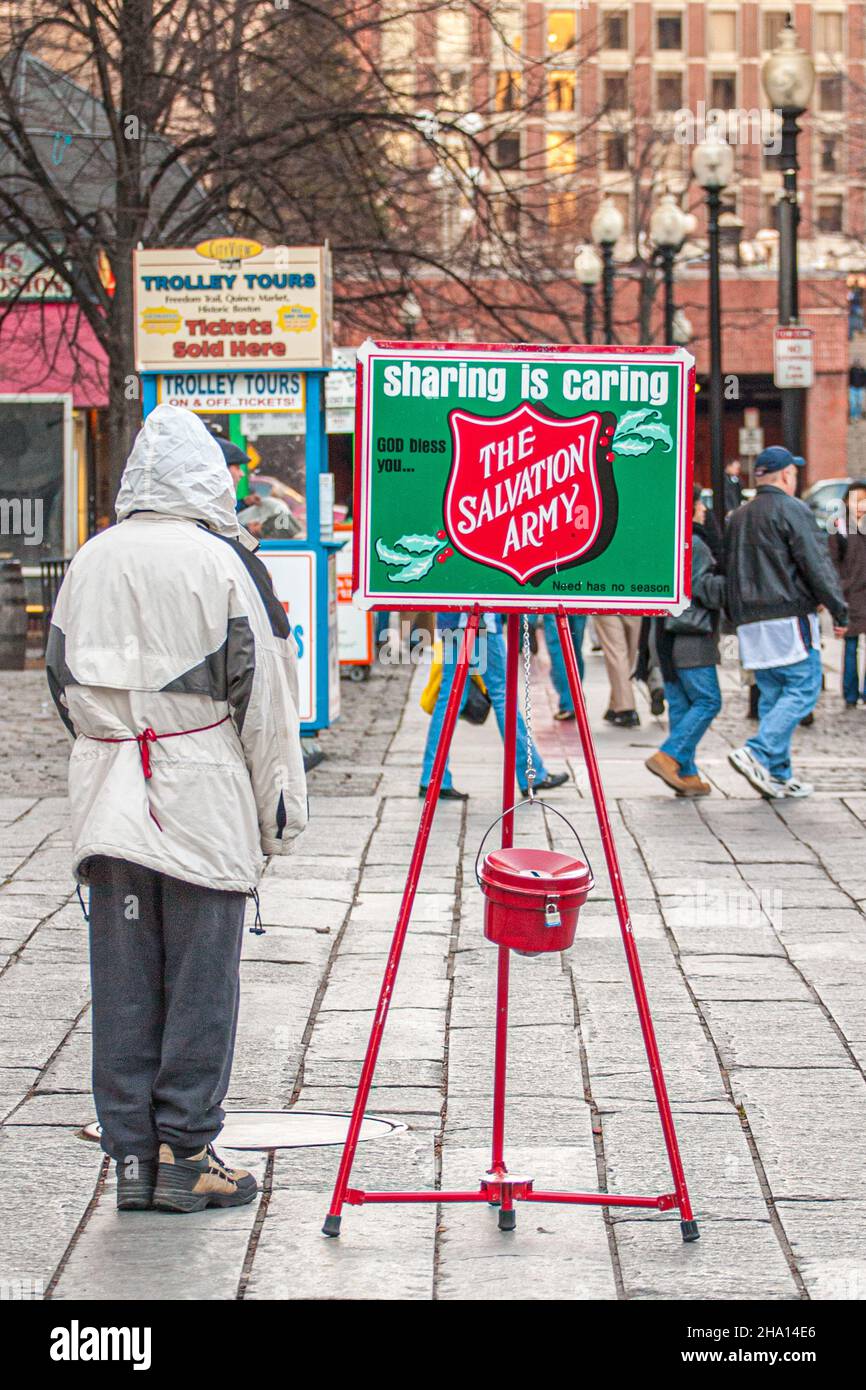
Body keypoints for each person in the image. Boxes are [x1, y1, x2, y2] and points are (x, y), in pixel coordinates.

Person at [46, 405, 308, 1214]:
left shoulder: (90, 560)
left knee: (124, 982)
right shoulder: (220, 563)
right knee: (200, 982)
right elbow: (263, 698)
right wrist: (279, 810)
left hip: (111, 792)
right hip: (199, 792)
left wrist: (114, 737)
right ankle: (187, 1151)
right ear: (207, 477)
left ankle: (132, 1157)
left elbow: (61, 684)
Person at [724, 446, 848, 799]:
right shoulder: (793, 510)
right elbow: (815, 564)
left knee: (773, 693)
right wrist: (839, 609)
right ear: (786, 475)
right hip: (787, 614)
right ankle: (758, 751)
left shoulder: (738, 515)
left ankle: (778, 774)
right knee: (803, 687)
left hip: (750, 619)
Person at [420, 613, 568, 800]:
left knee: (450, 697)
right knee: (502, 695)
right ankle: (531, 773)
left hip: (452, 619)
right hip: (480, 621)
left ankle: (432, 778)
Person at [645, 486, 726, 797]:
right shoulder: (696, 544)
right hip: (691, 633)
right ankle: (670, 754)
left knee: (680, 704)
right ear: (692, 507)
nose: (704, 510)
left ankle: (687, 773)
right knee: (708, 700)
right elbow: (707, 588)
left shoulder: (663, 539)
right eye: (700, 505)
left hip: (662, 636)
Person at [829, 481, 866, 707]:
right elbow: (831, 562)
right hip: (848, 596)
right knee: (850, 645)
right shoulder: (839, 526)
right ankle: (850, 693)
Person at [594, 614, 641, 727]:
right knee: (628, 654)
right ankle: (616, 704)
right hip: (637, 601)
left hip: (607, 602)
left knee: (618, 654)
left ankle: (625, 708)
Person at [542, 612, 587, 721]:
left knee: (560, 650)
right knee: (575, 649)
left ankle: (569, 703)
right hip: (578, 600)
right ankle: (577, 699)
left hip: (554, 601)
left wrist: (530, 619)